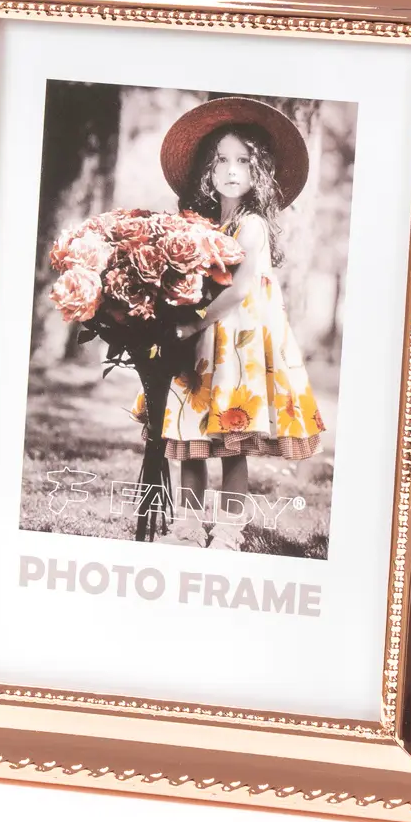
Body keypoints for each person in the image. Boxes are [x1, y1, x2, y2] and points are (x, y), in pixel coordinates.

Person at [131, 97, 325, 550]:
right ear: (209, 169)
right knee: (192, 437)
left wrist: (192, 324)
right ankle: (187, 527)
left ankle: (229, 531)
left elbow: (238, 291)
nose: (232, 170)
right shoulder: (206, 225)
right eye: (222, 160)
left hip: (235, 344)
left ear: (259, 171)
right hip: (202, 347)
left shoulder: (251, 224)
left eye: (243, 161)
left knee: (232, 442)